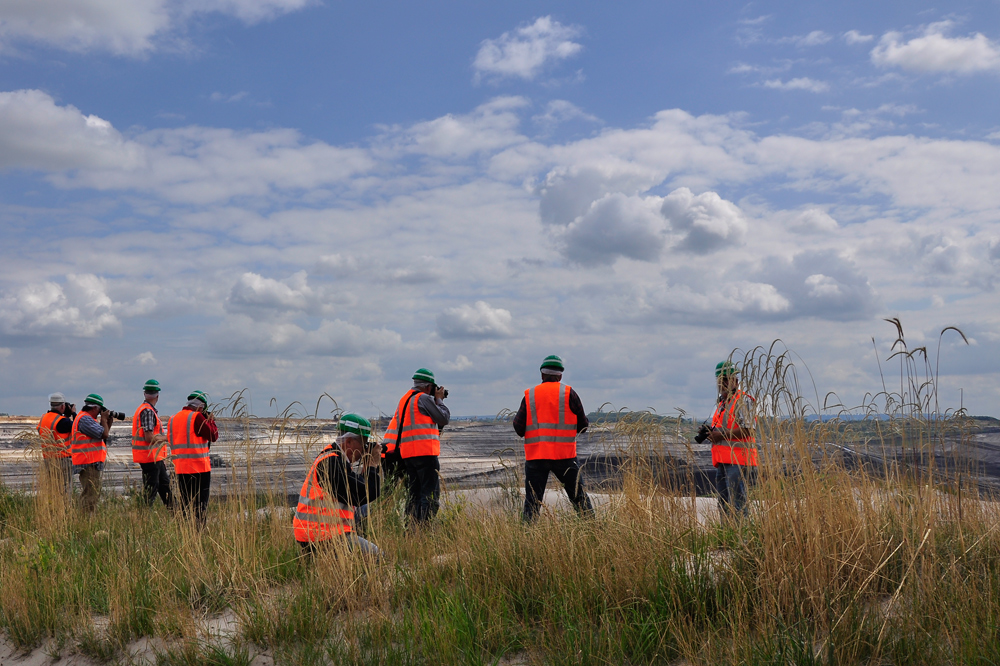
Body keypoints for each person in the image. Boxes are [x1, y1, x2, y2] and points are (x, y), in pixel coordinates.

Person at [513, 355, 594, 522]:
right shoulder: (569, 393)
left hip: (536, 457)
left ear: (542, 375)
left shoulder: (530, 395)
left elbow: (518, 428)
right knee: (579, 499)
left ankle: (527, 538)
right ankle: (594, 532)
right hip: (565, 456)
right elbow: (584, 426)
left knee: (532, 503)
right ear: (560, 376)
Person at [293, 413, 382, 557]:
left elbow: (360, 492)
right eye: (364, 443)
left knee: (364, 511)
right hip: (322, 535)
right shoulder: (331, 464)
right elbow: (364, 495)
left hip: (322, 532)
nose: (365, 449)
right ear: (349, 442)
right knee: (376, 556)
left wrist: (367, 467)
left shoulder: (336, 459)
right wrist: (372, 465)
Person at [383, 368, 450, 526]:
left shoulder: (405, 399)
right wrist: (439, 400)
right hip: (425, 454)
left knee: (414, 495)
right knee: (430, 496)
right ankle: (424, 530)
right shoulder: (423, 398)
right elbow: (443, 418)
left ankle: (411, 530)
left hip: (408, 455)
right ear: (428, 387)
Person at [705, 360, 758, 518]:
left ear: (736, 380)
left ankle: (743, 541)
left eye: (727, 379)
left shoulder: (744, 401)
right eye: (722, 380)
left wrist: (720, 435)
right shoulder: (722, 404)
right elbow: (724, 427)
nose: (724, 384)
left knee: (738, 505)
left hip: (739, 462)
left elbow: (749, 429)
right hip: (722, 462)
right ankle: (727, 540)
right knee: (724, 505)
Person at [167, 390, 218, 527]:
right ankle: (198, 532)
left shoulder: (173, 418)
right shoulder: (196, 417)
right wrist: (211, 421)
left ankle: (185, 532)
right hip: (199, 468)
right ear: (201, 407)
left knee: (185, 504)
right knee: (200, 506)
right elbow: (213, 435)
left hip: (181, 468)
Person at [132, 379, 173, 509]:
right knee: (152, 489)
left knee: (164, 486)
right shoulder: (148, 411)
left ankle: (177, 514)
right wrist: (167, 438)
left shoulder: (145, 409)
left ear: (145, 393)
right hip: (150, 457)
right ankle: (143, 517)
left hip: (155, 458)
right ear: (157, 395)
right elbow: (149, 437)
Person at [71, 394, 113, 513]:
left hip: (90, 461)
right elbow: (104, 434)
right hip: (87, 462)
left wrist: (108, 422)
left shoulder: (87, 419)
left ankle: (89, 518)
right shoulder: (85, 419)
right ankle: (85, 520)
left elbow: (103, 433)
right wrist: (104, 420)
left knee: (92, 493)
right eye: (100, 410)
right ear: (95, 408)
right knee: (90, 494)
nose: (100, 413)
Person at [36, 392, 76, 497]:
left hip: (48, 460)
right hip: (63, 460)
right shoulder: (62, 422)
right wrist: (73, 413)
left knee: (53, 489)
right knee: (65, 490)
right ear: (63, 406)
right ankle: (65, 511)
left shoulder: (43, 418)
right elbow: (77, 427)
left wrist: (67, 416)